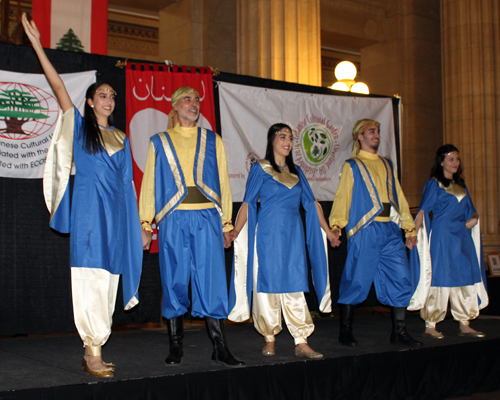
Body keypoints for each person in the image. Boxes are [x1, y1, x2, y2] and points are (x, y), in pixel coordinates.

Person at [22, 14, 143, 377]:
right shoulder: (79, 128)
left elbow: (127, 187)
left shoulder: (121, 138)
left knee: (108, 283)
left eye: (112, 96)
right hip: (89, 216)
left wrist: (136, 226)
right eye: (102, 95)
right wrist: (37, 46)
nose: (108, 99)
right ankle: (92, 350)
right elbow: (58, 86)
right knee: (90, 280)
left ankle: (97, 344)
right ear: (90, 102)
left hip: (115, 218)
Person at [139, 86, 244, 367]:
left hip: (207, 217)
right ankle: (176, 346)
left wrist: (226, 223)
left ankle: (220, 347)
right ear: (174, 106)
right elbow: (149, 183)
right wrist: (145, 223)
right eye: (188, 99)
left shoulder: (213, 140)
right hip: (173, 218)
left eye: (197, 100)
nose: (194, 103)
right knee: (173, 278)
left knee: (212, 279)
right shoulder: (159, 141)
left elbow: (223, 182)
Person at [228, 123, 336, 358]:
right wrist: (236, 230)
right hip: (267, 236)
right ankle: (269, 338)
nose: (288, 141)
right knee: (267, 285)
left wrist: (327, 230)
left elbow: (312, 203)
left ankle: (301, 340)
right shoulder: (260, 169)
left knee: (295, 284)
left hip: (293, 237)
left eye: (291, 138)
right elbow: (247, 202)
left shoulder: (297, 172)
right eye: (282, 136)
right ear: (272, 140)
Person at [329, 118, 422, 348]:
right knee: (356, 280)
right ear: (359, 136)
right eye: (372, 131)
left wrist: (409, 228)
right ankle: (345, 331)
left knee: (401, 277)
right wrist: (336, 226)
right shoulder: (352, 165)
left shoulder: (387, 164)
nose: (376, 134)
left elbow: (398, 198)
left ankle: (399, 332)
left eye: (378, 131)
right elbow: (343, 197)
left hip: (390, 230)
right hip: (365, 229)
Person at [408, 144, 488, 338]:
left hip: (461, 237)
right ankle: (431, 324)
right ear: (442, 161)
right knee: (440, 278)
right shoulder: (434, 183)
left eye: (457, 159)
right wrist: (413, 233)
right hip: (442, 237)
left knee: (463, 277)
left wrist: (474, 218)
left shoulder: (461, 184)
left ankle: (464, 322)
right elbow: (423, 210)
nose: (455, 163)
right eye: (451, 159)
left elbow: (471, 209)